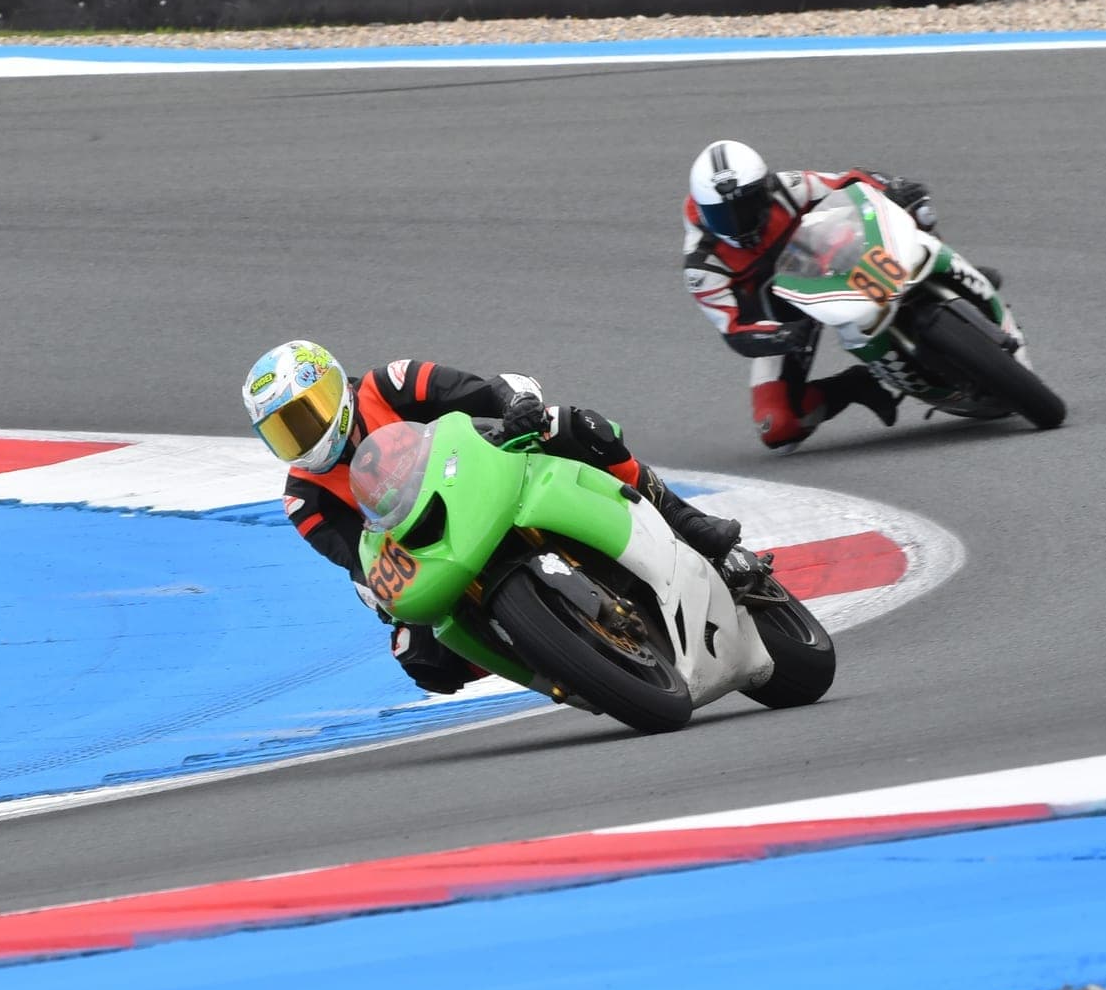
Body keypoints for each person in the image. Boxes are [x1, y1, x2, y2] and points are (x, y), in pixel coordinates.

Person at [242, 340, 763, 693]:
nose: (303, 436)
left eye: (307, 414)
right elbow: (358, 559)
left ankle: (686, 521)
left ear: (333, 387)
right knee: (420, 658)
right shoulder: (303, 499)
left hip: (484, 470)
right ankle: (552, 657)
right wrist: (381, 592)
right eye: (285, 431)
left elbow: (484, 391)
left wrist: (516, 405)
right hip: (432, 546)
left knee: (574, 425)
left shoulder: (388, 385)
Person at [683, 139, 959, 454]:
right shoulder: (701, 265)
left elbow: (851, 183)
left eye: (748, 205)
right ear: (703, 212)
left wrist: (894, 188)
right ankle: (856, 384)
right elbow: (734, 330)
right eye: (723, 216)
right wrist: (782, 336)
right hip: (783, 317)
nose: (739, 223)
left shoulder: (788, 188)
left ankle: (947, 277)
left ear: (765, 188)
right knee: (776, 426)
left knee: (916, 216)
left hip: (830, 262)